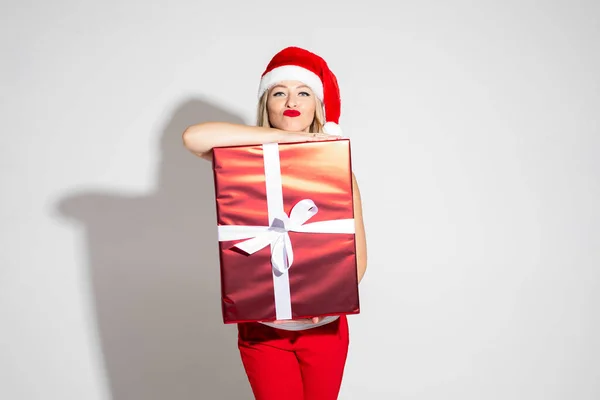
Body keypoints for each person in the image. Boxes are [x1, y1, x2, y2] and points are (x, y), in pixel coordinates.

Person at [182, 46, 367, 400]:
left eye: (303, 92)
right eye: (279, 92)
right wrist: (296, 141)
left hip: (324, 329)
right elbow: (194, 137)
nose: (290, 101)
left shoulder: (338, 168)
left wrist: (326, 299)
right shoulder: (244, 162)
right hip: (263, 330)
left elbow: (358, 253)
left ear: (317, 105)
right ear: (266, 103)